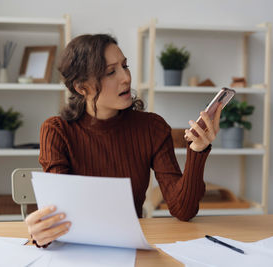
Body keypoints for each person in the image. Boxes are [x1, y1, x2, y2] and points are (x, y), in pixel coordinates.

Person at [25, 34, 222, 247]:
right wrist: (41, 233)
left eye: (125, 66)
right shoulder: (57, 130)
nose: (126, 77)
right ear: (82, 87)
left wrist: (197, 149)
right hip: (77, 250)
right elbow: (58, 214)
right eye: (111, 72)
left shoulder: (152, 128)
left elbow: (183, 210)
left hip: (130, 248)